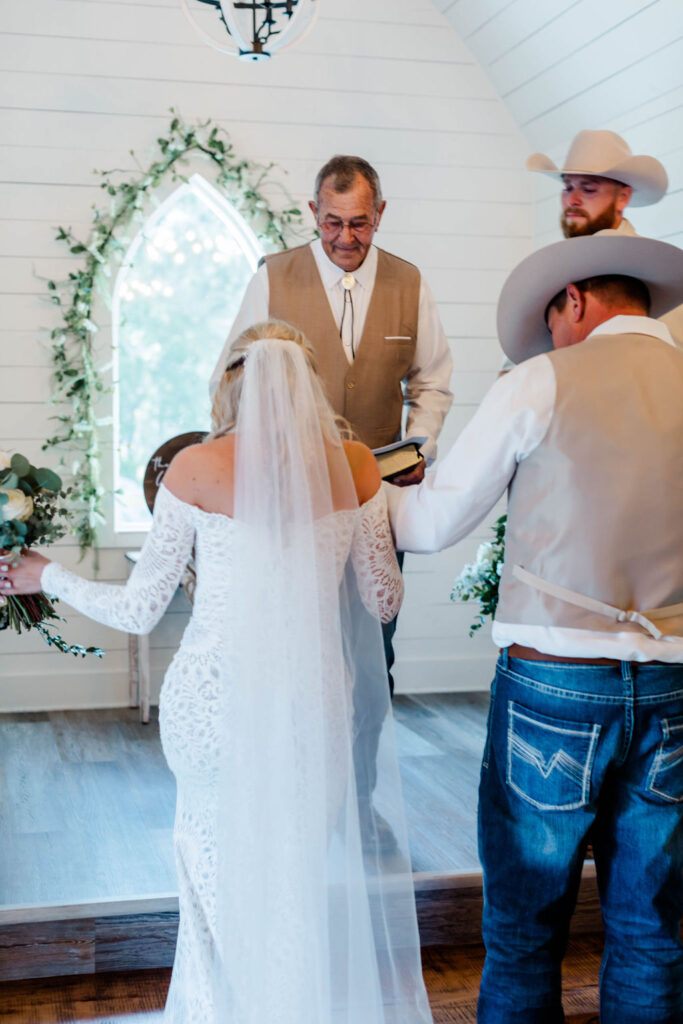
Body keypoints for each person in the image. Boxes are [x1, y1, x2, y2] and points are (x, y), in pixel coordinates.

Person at [2, 320, 433, 1024]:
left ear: (229, 381)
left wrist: (49, 574)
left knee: (214, 892)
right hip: (312, 707)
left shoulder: (195, 468)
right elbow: (383, 598)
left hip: (212, 703)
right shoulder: (355, 465)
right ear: (306, 382)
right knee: (295, 882)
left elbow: (141, 609)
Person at [384, 233, 683, 1023]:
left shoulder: (540, 381)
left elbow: (429, 524)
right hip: (676, 687)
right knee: (652, 933)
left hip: (553, 684)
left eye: (551, 320)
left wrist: (363, 482)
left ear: (575, 300)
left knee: (523, 931)